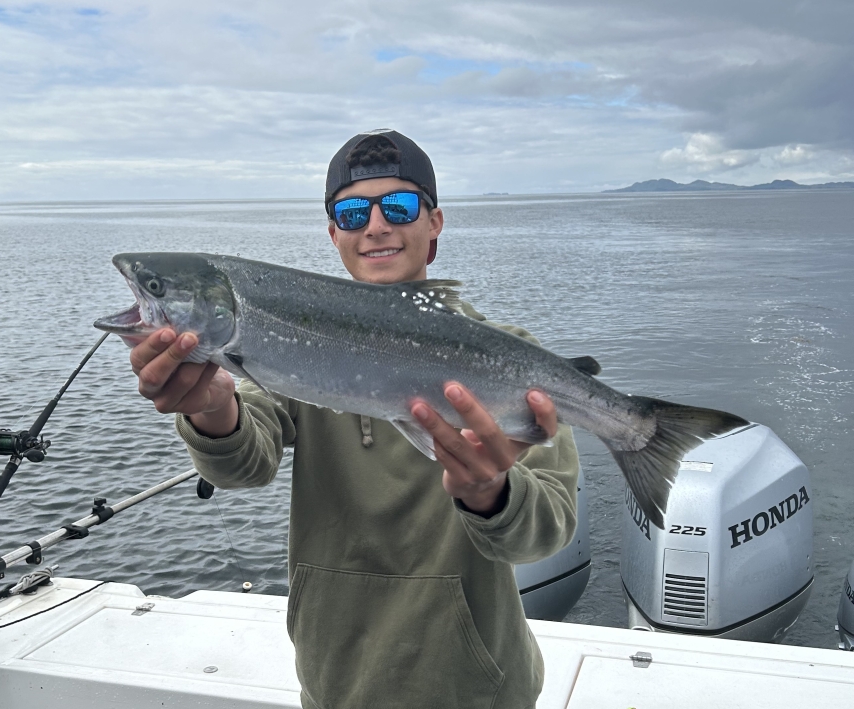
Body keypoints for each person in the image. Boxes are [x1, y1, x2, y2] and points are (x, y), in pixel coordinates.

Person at [129, 129, 579, 709]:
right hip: (334, 683)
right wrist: (213, 405)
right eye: (351, 211)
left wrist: (492, 494)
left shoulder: (510, 363)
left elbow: (548, 530)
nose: (375, 226)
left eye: (398, 205)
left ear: (434, 222)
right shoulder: (298, 350)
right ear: (333, 232)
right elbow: (246, 463)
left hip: (477, 689)